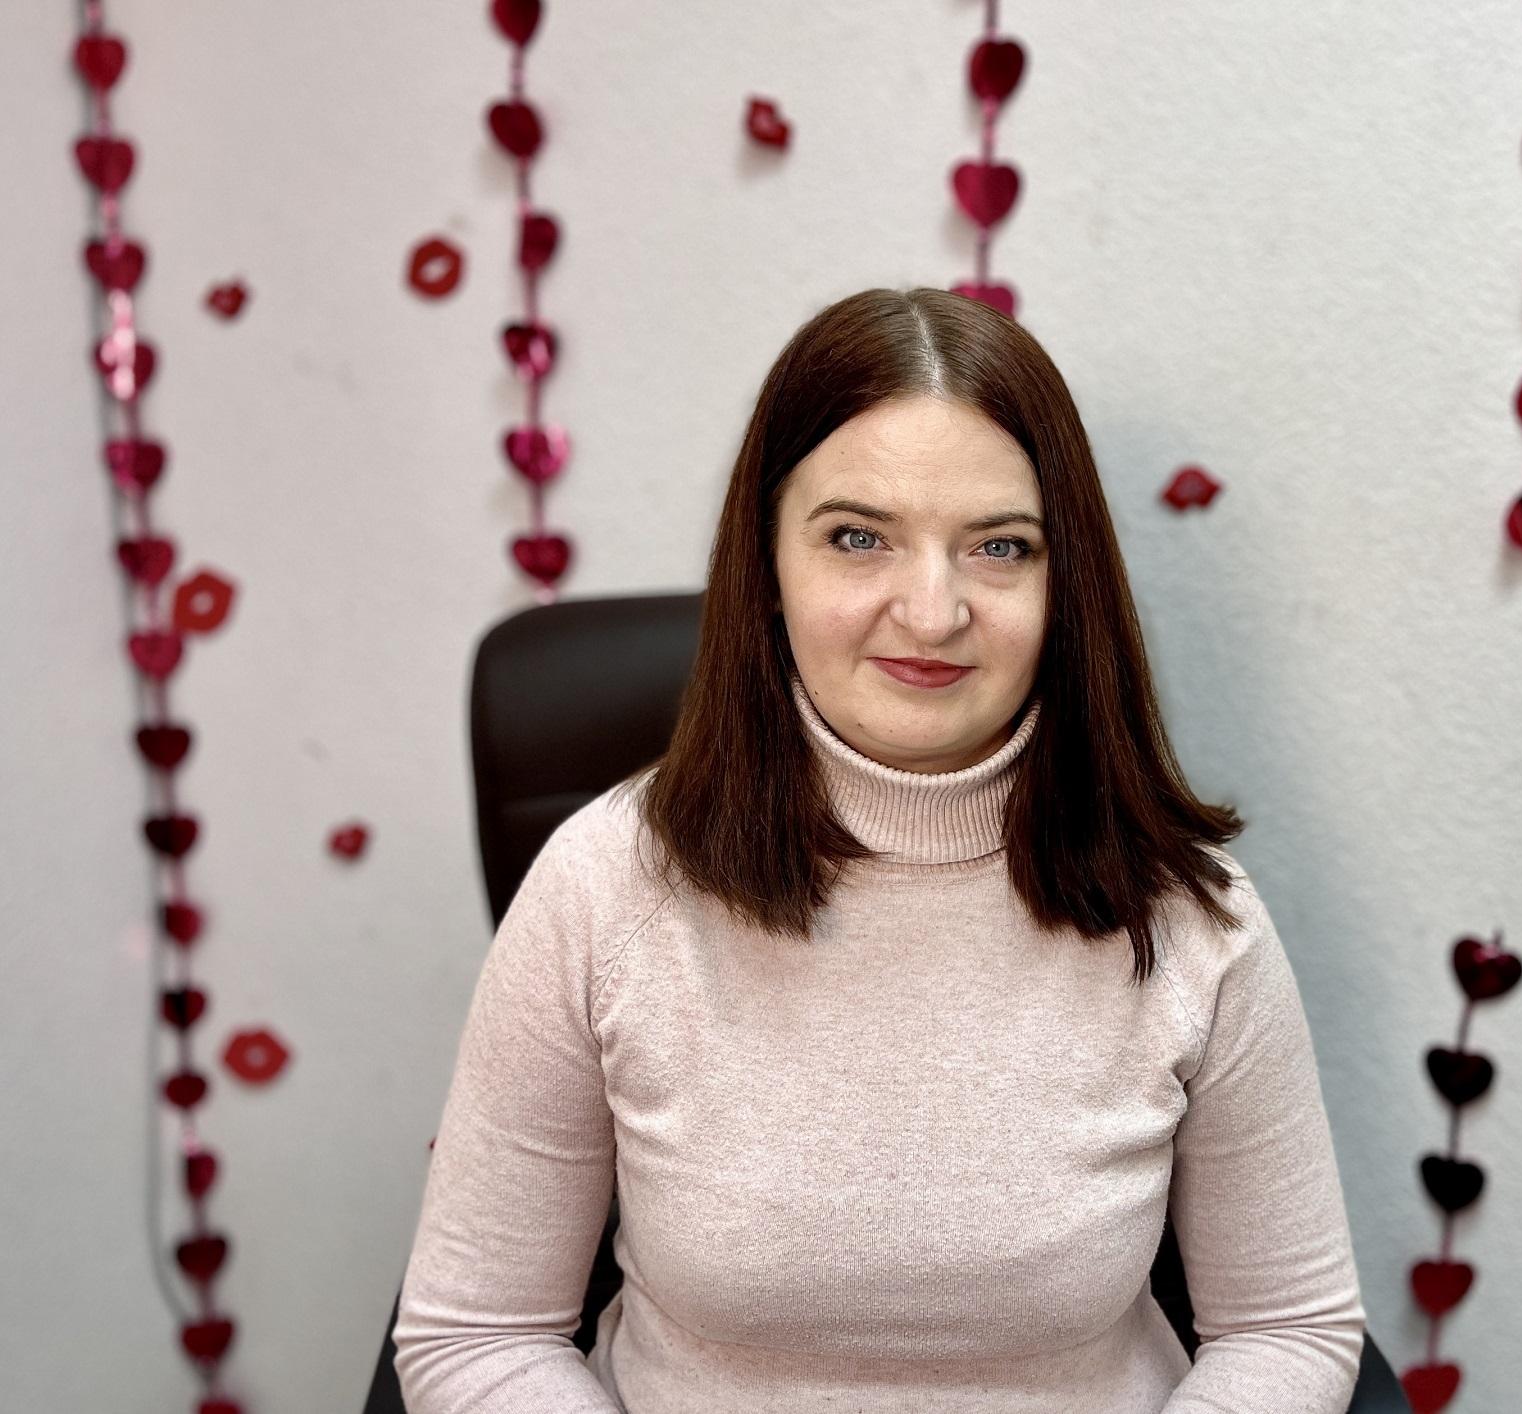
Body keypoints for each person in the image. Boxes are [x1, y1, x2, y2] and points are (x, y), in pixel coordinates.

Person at [392, 287, 1366, 1412]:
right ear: (766, 567)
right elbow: (479, 1337)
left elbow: (1286, 1328)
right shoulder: (602, 886)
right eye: (858, 538)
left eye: (999, 547)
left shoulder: (1191, 917)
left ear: (1065, 584)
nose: (932, 611)